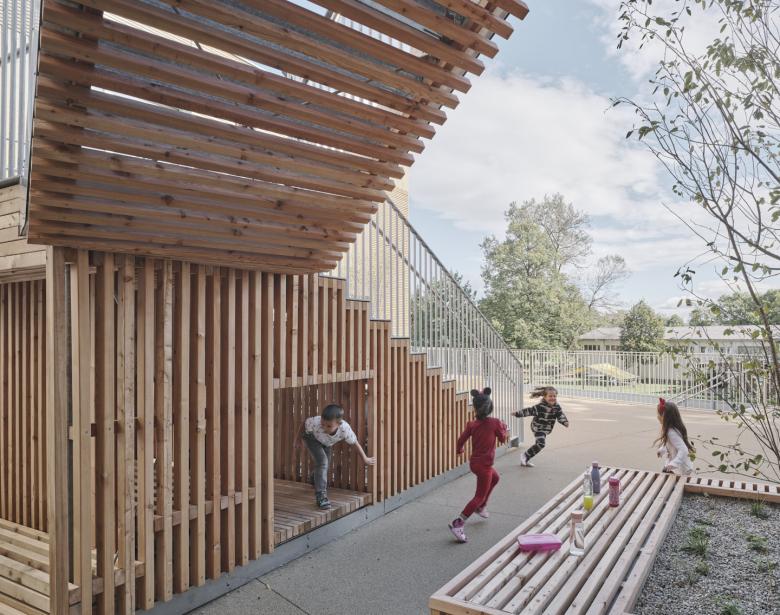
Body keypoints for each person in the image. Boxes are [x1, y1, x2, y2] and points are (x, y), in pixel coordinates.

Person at [449, 388, 508, 543]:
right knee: (479, 496)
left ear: (475, 407)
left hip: (475, 463)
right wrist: (504, 428)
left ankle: (481, 507)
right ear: (490, 407)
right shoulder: (495, 423)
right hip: (484, 466)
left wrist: (459, 450)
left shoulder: (472, 424)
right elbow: (503, 439)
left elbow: (460, 440)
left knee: (495, 478)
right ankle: (458, 523)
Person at [295, 404, 375, 509]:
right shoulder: (316, 422)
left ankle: (314, 478)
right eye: (323, 424)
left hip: (326, 442)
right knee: (323, 462)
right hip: (312, 438)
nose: (324, 427)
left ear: (339, 424)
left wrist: (365, 458)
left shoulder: (344, 429)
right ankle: (321, 496)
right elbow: (304, 423)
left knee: (325, 464)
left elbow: (355, 443)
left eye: (328, 426)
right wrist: (297, 439)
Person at [514, 386, 569, 467]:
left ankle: (525, 458)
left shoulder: (557, 407)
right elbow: (529, 411)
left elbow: (560, 415)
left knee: (540, 444)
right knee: (541, 443)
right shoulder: (540, 407)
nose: (552, 398)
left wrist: (564, 422)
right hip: (538, 427)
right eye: (550, 396)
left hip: (546, 428)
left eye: (554, 396)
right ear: (545, 397)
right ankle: (525, 456)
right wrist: (517, 413)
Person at [655, 397, 694, 475]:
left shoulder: (671, 432)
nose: (657, 417)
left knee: (666, 479)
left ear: (664, 416)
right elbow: (671, 444)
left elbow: (683, 450)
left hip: (679, 468)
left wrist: (674, 463)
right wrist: (662, 450)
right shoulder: (673, 429)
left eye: (659, 414)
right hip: (677, 466)